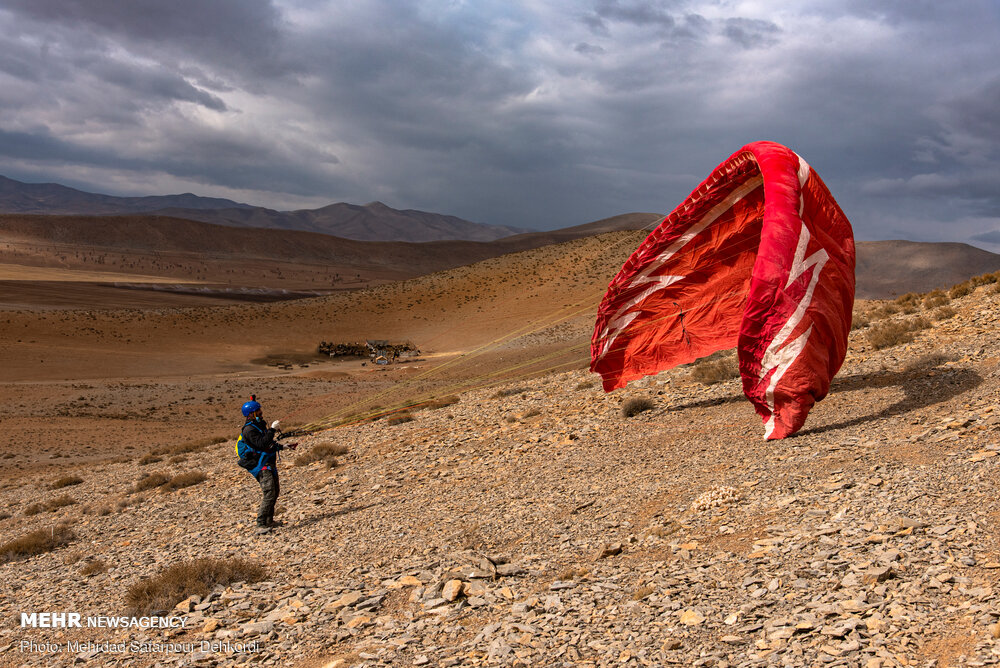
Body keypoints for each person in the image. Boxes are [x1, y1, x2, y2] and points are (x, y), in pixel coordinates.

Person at [236, 395, 295, 534]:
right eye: (259, 411)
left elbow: (268, 444)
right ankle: (260, 524)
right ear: (252, 414)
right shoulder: (249, 430)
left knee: (275, 491)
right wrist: (272, 430)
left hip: (268, 462)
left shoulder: (259, 426)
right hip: (260, 465)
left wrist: (284, 447)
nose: (261, 413)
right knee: (269, 492)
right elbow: (262, 444)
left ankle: (269, 520)